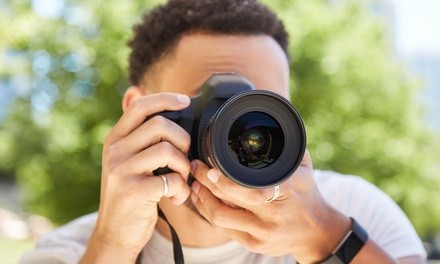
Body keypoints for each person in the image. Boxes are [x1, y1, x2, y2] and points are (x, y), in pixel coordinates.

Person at [20, 0, 426, 263]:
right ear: (139, 113)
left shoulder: (356, 210)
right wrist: (112, 249)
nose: (241, 135)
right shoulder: (67, 253)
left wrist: (325, 236)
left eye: (260, 108)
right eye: (209, 106)